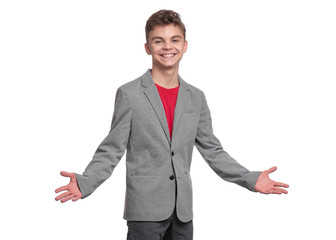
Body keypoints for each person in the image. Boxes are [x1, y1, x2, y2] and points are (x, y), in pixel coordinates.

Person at [55, 9, 289, 240]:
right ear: (148, 48)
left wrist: (250, 177)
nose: (168, 47)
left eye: (174, 40)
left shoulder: (196, 97)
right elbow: (112, 148)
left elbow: (213, 151)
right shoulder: (130, 94)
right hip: (145, 211)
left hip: (182, 212)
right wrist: (87, 182)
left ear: (185, 45)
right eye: (159, 41)